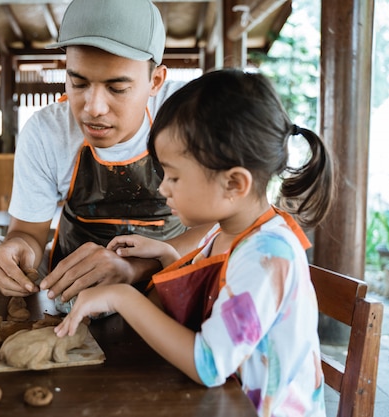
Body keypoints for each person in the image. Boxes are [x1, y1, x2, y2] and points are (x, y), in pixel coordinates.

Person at [55, 69, 333, 416]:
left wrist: (121, 296)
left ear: (234, 184)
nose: (163, 189)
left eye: (173, 176)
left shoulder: (268, 255)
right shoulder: (227, 232)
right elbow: (204, 299)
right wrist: (167, 255)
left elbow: (209, 365)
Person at [0, 0, 209, 301]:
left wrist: (134, 268)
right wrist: (17, 250)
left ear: (155, 81)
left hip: (169, 266)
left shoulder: (189, 114)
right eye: (78, 83)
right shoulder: (47, 130)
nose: (93, 108)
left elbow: (222, 222)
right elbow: (29, 235)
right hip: (68, 273)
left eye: (117, 88)